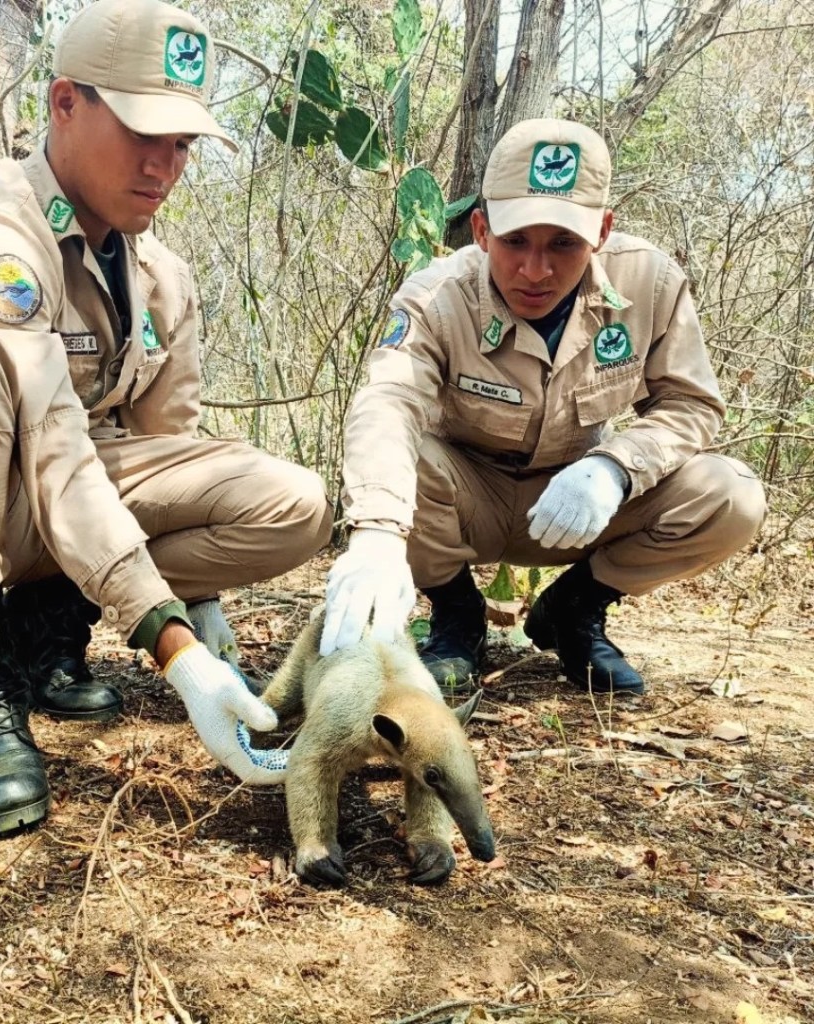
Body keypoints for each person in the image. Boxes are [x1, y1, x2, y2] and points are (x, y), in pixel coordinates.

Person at [0, 0, 332, 838]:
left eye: (183, 143)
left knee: (294, 502)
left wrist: (199, 610)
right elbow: (53, 444)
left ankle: (47, 622)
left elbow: (163, 446)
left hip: (62, 503)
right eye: (144, 133)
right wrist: (172, 646)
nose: (164, 165)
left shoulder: (160, 274)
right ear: (65, 103)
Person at [320, 117, 766, 696]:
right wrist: (378, 535)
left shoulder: (650, 284)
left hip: (577, 500)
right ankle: (456, 616)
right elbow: (388, 402)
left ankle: (575, 610)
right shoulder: (437, 296)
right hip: (464, 501)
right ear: (481, 230)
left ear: (601, 231)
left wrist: (614, 467)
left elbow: (691, 404)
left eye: (563, 243)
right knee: (409, 456)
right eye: (515, 242)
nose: (536, 270)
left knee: (731, 495)